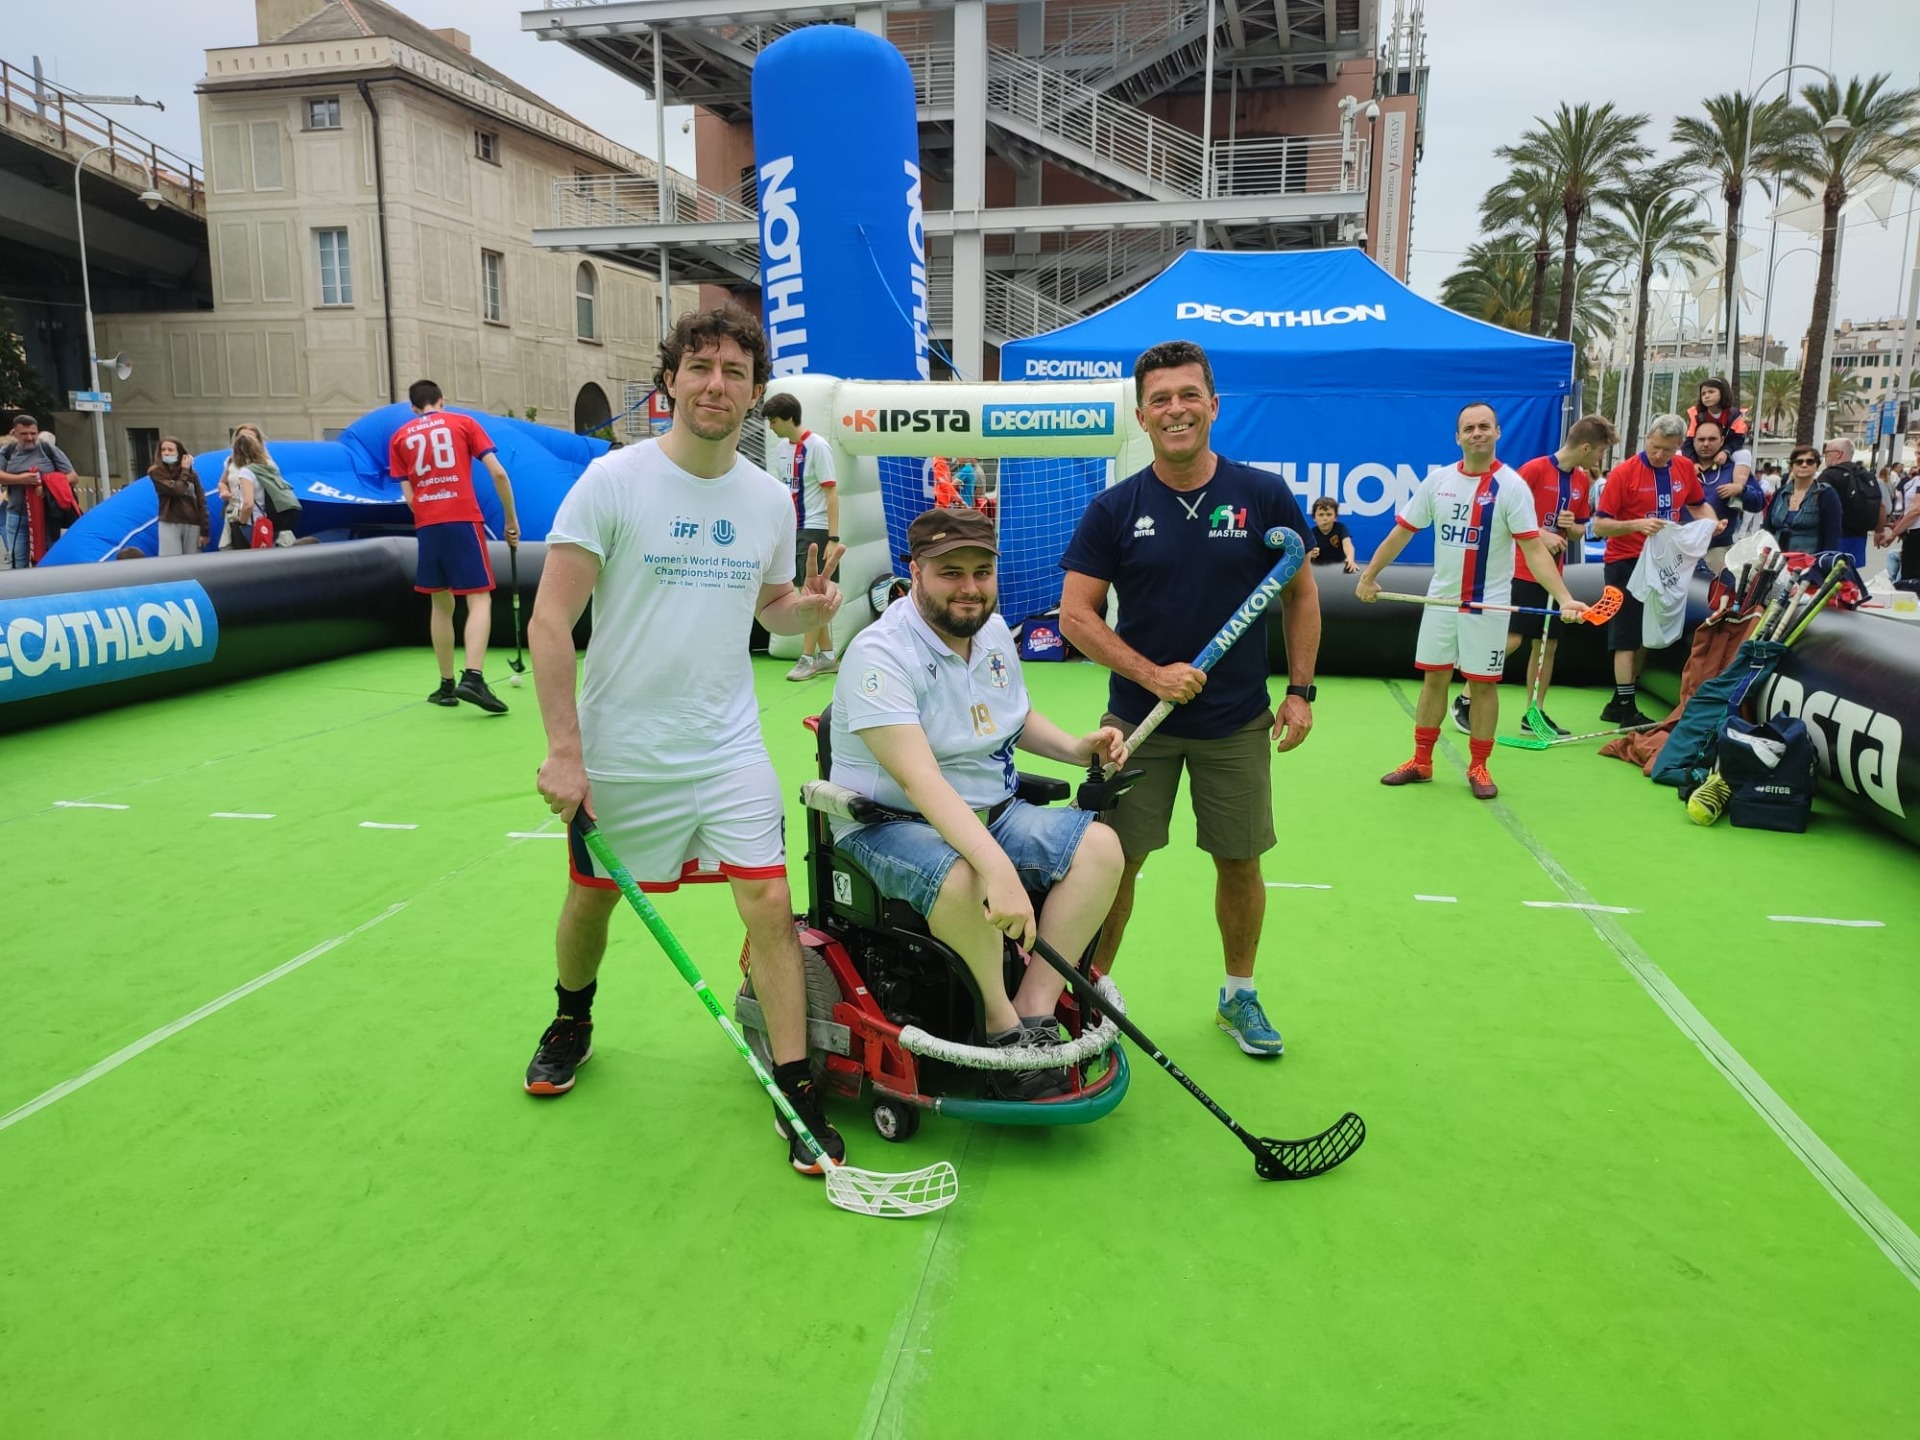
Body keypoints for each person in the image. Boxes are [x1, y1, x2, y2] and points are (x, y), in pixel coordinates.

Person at [525, 305, 850, 1177]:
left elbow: (769, 608)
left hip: (726, 745)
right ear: (670, 380)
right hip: (622, 750)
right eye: (700, 367)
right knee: (591, 900)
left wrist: (808, 610)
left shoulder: (766, 498)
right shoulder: (613, 482)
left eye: (735, 372)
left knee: (770, 905)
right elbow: (550, 621)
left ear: (754, 392)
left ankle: (795, 1086)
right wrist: (565, 751)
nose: (716, 384)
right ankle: (571, 1018)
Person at [1057, 339, 1320, 1058]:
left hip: (1235, 722)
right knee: (1112, 863)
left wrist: (1300, 691)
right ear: (1142, 416)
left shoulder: (1262, 494)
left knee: (1240, 860)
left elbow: (1301, 595)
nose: (1176, 410)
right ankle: (1088, 995)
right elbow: (1075, 616)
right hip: (1136, 724)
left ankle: (1239, 995)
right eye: (1161, 399)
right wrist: (1152, 676)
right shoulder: (1115, 508)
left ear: (1213, 405)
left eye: (1188, 395)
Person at [830, 507, 1128, 1099]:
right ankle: (1000, 1031)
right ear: (915, 571)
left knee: (1101, 848)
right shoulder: (879, 653)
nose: (969, 587)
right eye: (950, 572)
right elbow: (921, 783)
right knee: (966, 876)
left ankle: (1034, 1011)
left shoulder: (990, 632)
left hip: (995, 811)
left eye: (981, 572)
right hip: (891, 824)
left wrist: (1074, 749)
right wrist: (996, 868)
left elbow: (1009, 717)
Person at [1358, 403, 1587, 800]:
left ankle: (1479, 766)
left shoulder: (1512, 486)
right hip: (1442, 602)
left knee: (1482, 685)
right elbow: (1402, 533)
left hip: (1488, 606)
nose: (1477, 433)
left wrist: (1565, 598)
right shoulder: (1438, 481)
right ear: (1458, 437)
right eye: (1469, 428)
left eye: (1484, 426)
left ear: (1497, 432)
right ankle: (1421, 761)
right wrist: (1368, 576)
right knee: (1434, 679)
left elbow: (1534, 550)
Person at [1461, 412, 1615, 739]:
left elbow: (1578, 531)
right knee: (1513, 639)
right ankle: (1466, 697)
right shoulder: (1534, 470)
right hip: (1520, 568)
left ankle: (1534, 713)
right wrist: (1541, 535)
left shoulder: (1581, 481)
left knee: (1548, 644)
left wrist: (1572, 526)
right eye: (1601, 452)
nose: (1600, 459)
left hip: (1553, 575)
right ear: (1586, 447)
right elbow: (1501, 515)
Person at [388, 379, 519, 713]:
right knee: (479, 598)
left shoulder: (400, 437)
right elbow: (499, 474)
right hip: (462, 517)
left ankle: (446, 685)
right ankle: (473, 677)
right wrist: (510, 519)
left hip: (428, 524)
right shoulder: (464, 423)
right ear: (442, 400)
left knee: (440, 602)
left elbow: (410, 499)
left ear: (413, 408)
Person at [1592, 414, 1718, 725]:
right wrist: (1637, 525)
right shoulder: (1624, 473)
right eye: (1655, 446)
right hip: (1625, 563)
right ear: (1647, 437)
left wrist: (1712, 524)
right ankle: (1626, 709)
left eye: (1667, 449)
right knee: (1625, 637)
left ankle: (1618, 701)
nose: (1659, 454)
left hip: (1662, 563)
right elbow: (1600, 525)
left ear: (1679, 446)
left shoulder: (1684, 468)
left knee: (1647, 632)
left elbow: (1698, 504)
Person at [762, 392, 840, 680]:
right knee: (809, 596)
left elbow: (832, 493)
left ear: (788, 418)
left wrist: (833, 538)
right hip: (792, 530)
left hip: (815, 529)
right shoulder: (782, 448)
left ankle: (807, 659)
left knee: (810, 596)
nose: (771, 427)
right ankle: (827, 656)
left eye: (774, 421)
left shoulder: (818, 447)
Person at [1689, 417, 1763, 573]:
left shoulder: (1735, 470)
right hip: (1680, 551)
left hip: (1717, 551)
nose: (1706, 444)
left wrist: (1741, 490)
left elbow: (1758, 503)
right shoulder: (1681, 467)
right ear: (1693, 441)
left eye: (1712, 439)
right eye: (1701, 439)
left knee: (1719, 587)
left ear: (1722, 440)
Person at [2, 414, 75, 569]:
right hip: (17, 515)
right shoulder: (8, 451)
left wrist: (47, 487)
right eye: (24, 434)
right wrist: (20, 479)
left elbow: (73, 477)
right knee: (18, 560)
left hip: (47, 515)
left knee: (48, 558)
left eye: (33, 433)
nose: (30, 438)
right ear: (14, 434)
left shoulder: (48, 449)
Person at [1816, 437, 1883, 569]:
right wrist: (1879, 530)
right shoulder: (1866, 475)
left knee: (1830, 574)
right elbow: (1881, 504)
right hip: (1860, 536)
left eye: (1827, 452)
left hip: (1835, 536)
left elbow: (1817, 501)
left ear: (1838, 454)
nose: (1825, 456)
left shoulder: (1829, 475)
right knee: (1851, 574)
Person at [1764, 445, 1842, 555]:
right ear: (1792, 466)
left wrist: (1826, 560)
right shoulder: (1780, 494)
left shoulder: (1826, 494)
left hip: (1809, 559)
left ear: (1816, 466)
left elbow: (1832, 533)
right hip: (1777, 558)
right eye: (1799, 462)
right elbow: (1767, 529)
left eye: (1810, 462)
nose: (1804, 465)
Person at [149, 437, 210, 556]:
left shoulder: (193, 475)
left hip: (192, 522)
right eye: (163, 450)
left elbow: (201, 501)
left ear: (180, 453)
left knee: (193, 560)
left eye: (170, 450)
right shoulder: (156, 473)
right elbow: (178, 490)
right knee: (171, 560)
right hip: (170, 521)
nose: (166, 453)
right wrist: (185, 470)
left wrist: (205, 531)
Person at [217, 431, 264, 552]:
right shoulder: (266, 466)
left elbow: (248, 504)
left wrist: (241, 523)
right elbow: (222, 482)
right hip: (263, 521)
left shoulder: (246, 472)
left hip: (248, 520)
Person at [1683, 377, 1748, 458]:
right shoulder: (1695, 414)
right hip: (1700, 452)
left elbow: (1738, 439)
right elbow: (1688, 442)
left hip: (1726, 452)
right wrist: (1694, 461)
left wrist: (1726, 451)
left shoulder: (1735, 415)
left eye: (1711, 392)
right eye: (1703, 394)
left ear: (1723, 393)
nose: (1706, 396)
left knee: (1744, 454)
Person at [1306, 497, 1357, 570]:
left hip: (1339, 570)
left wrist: (1350, 559)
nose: (1325, 518)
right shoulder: (1311, 534)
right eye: (1321, 515)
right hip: (1318, 570)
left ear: (1335, 517)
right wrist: (1310, 555)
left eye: (1329, 514)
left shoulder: (1341, 528)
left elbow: (1348, 545)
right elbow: (1305, 555)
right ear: (1314, 517)